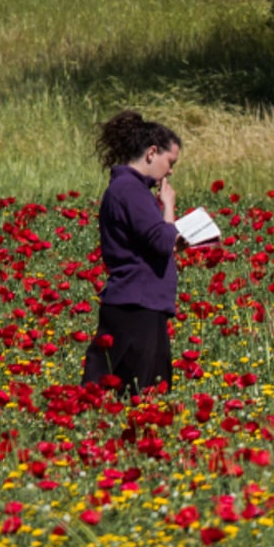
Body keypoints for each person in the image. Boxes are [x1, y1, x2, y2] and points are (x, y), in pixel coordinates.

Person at [81, 110, 185, 396]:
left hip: (142, 303)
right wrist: (168, 207)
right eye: (170, 162)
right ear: (152, 153)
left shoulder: (130, 189)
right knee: (131, 392)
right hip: (135, 305)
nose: (171, 171)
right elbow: (161, 241)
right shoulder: (129, 190)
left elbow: (151, 243)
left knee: (146, 393)